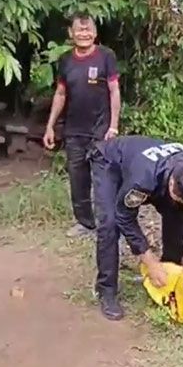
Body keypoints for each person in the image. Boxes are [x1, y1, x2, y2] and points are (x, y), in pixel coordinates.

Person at [89, 135, 183, 321]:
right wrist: (149, 261)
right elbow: (124, 216)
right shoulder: (142, 180)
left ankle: (169, 274)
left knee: (176, 212)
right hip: (110, 161)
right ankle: (106, 290)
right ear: (172, 184)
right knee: (110, 223)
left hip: (151, 167)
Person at [43, 12, 121, 237]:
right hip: (74, 130)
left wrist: (113, 125)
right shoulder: (66, 60)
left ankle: (107, 225)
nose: (84, 34)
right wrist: (50, 126)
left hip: (100, 130)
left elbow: (114, 91)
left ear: (95, 33)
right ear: (71, 33)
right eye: (79, 29)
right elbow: (60, 93)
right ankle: (85, 223)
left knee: (103, 179)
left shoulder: (106, 56)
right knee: (78, 179)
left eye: (88, 30)